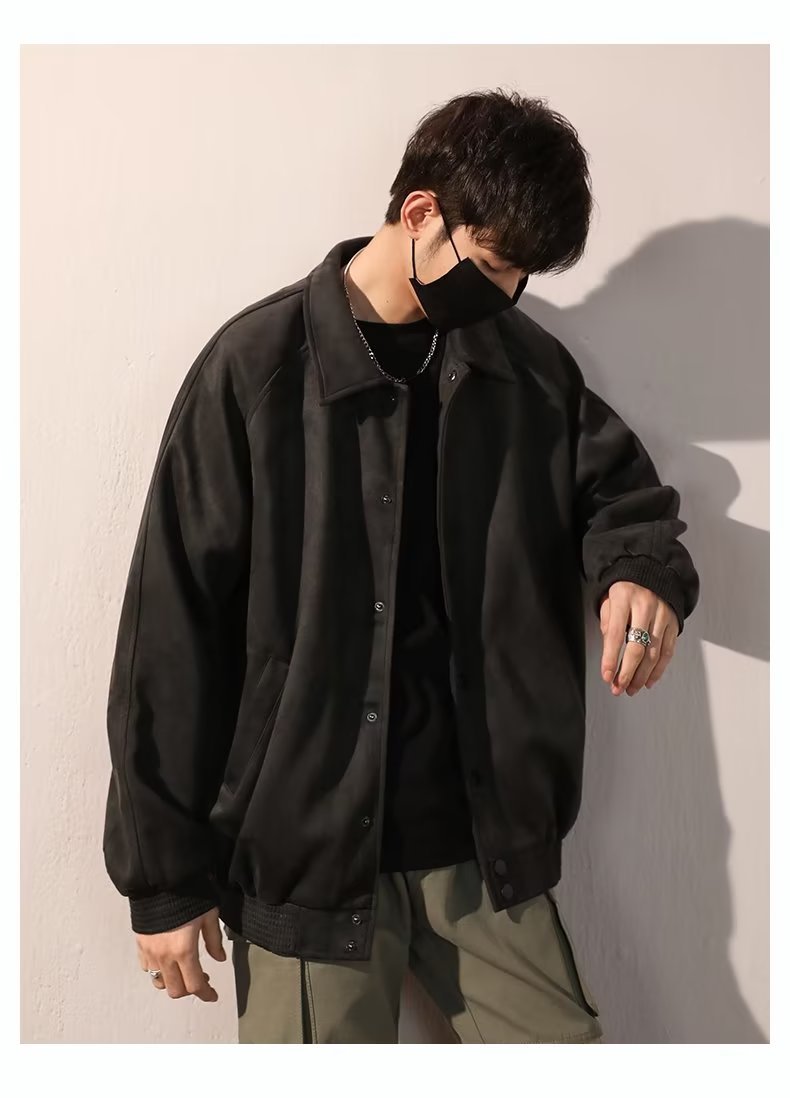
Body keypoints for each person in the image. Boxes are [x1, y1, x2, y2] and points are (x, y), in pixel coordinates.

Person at [102, 87, 700, 1043]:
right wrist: (163, 881)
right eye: (494, 266)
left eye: (524, 278)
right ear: (422, 212)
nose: (507, 296)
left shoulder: (525, 370)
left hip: (484, 851)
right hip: (306, 862)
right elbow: (169, 632)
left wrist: (639, 569)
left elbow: (620, 495)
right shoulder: (256, 371)